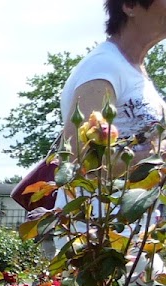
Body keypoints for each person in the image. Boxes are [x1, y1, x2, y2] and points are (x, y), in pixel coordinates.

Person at [54, 1, 166, 252]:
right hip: (95, 233)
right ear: (129, 6)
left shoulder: (134, 69)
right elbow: (79, 158)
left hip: (128, 230)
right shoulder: (103, 66)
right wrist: (157, 157)